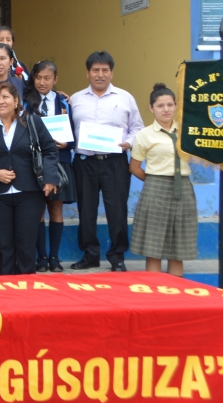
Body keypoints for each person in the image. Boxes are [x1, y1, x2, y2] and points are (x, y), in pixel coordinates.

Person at [68, 51, 144, 272]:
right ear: (87, 73)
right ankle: (90, 254)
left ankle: (117, 256)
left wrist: (129, 143)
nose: (100, 75)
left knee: (117, 210)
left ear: (111, 72)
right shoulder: (75, 99)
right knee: (86, 210)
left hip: (115, 162)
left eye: (105, 70)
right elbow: (68, 129)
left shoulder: (125, 98)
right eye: (95, 70)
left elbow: (137, 128)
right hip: (85, 162)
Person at [0, 82, 59, 275]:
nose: (1, 101)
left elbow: (50, 149)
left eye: (6, 97)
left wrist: (50, 177)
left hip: (29, 192)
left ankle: (27, 291)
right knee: (3, 245)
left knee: (26, 244)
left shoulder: (32, 123)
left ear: (16, 101)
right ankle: (5, 288)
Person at [130, 83, 197, 277]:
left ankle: (175, 296)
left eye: (169, 104)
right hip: (155, 189)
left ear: (176, 105)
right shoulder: (144, 134)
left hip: (182, 188)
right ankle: (155, 293)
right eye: (160, 106)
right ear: (151, 108)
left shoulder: (187, 131)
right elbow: (134, 167)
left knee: (178, 247)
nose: (166, 109)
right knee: (154, 244)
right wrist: (154, 182)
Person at [25, 60, 77, 273]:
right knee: (38, 209)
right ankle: (42, 257)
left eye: (47, 78)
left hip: (59, 160)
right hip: (35, 162)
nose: (42, 82)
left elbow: (74, 133)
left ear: (55, 80)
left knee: (56, 208)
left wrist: (68, 144)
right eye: (38, 77)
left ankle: (54, 257)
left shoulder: (64, 103)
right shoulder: (27, 102)